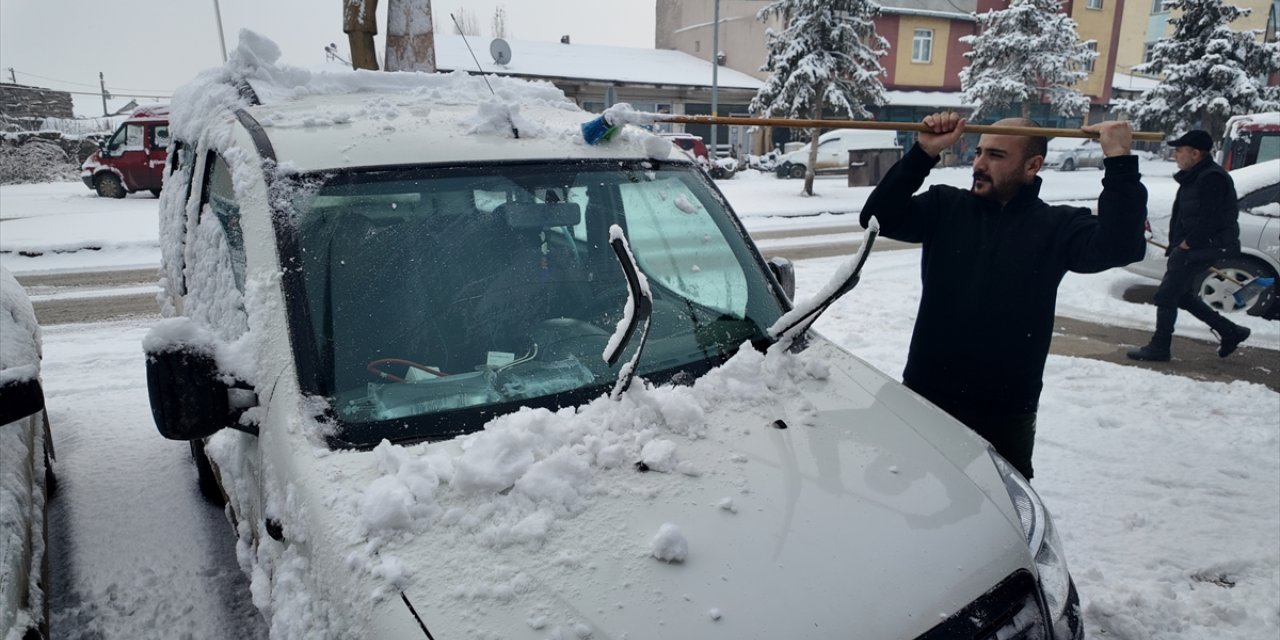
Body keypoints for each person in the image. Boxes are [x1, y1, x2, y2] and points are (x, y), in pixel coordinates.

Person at [859, 113, 1147, 480]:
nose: (979, 164)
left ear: (1032, 165)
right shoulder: (946, 206)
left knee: (1004, 510)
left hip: (1006, 409)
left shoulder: (1058, 226)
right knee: (912, 494)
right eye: (979, 153)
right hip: (927, 394)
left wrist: (1120, 162)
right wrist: (923, 153)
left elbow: (1121, 247)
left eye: (995, 156)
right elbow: (877, 218)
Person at [1127, 130, 1250, 362]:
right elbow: (1185, 216)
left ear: (1195, 153)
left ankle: (1160, 347)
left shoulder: (1211, 178)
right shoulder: (1195, 176)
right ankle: (1230, 331)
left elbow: (1209, 219)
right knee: (1180, 295)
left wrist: (1186, 244)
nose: (1175, 156)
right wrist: (1176, 244)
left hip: (1201, 247)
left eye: (1179, 151)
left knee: (1165, 296)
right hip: (1192, 247)